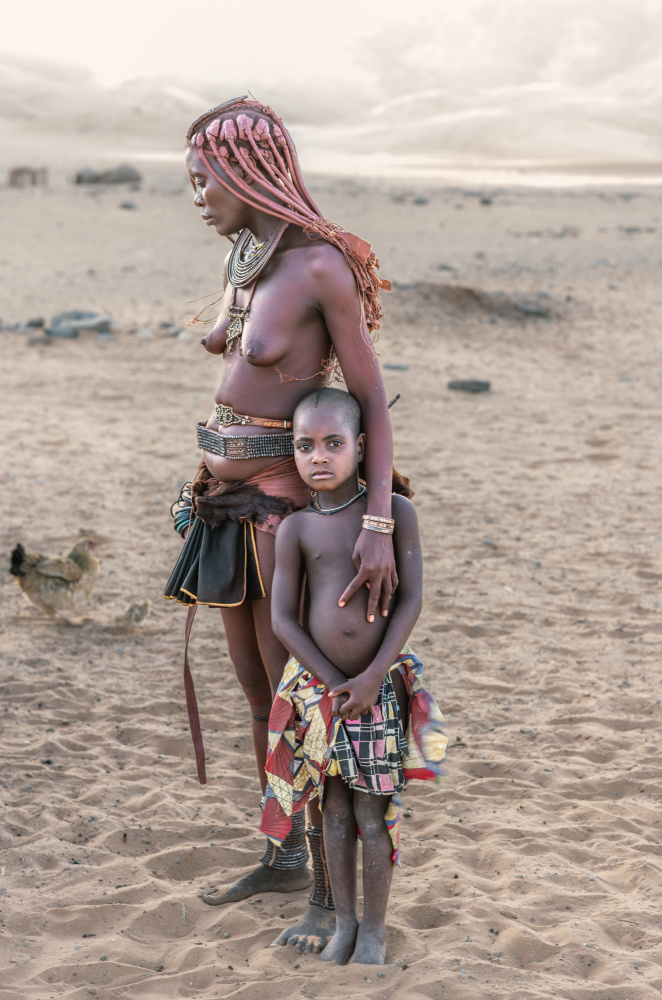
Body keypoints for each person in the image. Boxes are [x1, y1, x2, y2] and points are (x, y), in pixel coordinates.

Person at [163, 97, 399, 952]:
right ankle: (285, 852)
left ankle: (331, 892)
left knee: (296, 696)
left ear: (247, 172)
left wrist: (375, 518)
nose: (196, 196)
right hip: (225, 502)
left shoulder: (319, 267)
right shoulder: (245, 256)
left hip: (283, 504)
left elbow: (369, 395)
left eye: (204, 179)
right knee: (259, 693)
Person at [261, 387, 447, 965]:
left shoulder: (395, 514)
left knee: (374, 810)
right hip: (323, 696)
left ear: (362, 446)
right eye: (304, 446)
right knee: (333, 809)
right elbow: (283, 619)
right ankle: (343, 922)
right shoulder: (295, 529)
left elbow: (412, 599)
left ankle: (374, 928)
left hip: (378, 690)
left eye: (333, 444)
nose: (318, 457)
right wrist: (331, 682)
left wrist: (370, 678)